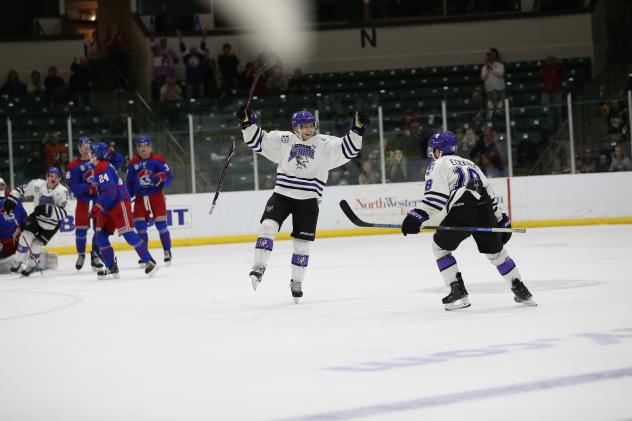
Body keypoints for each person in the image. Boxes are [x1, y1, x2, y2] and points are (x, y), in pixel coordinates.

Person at [239, 107, 369, 303]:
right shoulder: (284, 140)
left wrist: (357, 129)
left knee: (302, 245)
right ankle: (258, 266)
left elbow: (348, 149)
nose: (309, 129)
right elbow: (257, 140)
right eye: (304, 126)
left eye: (311, 125)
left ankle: (296, 281)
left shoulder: (324, 143)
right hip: (282, 195)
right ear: (295, 128)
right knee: (267, 227)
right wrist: (247, 122)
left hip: (308, 200)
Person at [400, 131, 535, 310]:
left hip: (464, 209)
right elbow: (490, 193)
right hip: (485, 209)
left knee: (440, 247)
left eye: (434, 150)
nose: (432, 153)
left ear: (439, 150)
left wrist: (416, 216)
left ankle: (458, 294)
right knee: (497, 253)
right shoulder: (470, 163)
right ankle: (521, 291)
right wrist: (501, 219)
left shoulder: (438, 164)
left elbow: (435, 198)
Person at [89, 142, 158, 279]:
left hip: (118, 203)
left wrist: (98, 207)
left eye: (92, 152)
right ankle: (111, 267)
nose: (90, 154)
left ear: (98, 155)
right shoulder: (100, 167)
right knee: (100, 236)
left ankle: (149, 260)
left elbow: (110, 192)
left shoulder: (102, 168)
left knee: (128, 233)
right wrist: (100, 207)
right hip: (108, 205)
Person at [4, 167, 69, 276]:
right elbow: (20, 189)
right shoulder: (37, 184)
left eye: (56, 177)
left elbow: (64, 213)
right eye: (50, 176)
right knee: (25, 236)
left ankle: (31, 266)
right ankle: (18, 261)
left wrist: (47, 210)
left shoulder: (63, 192)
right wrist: (12, 198)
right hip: (36, 219)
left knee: (36, 245)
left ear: (59, 179)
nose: (53, 179)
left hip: (51, 225)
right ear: (46, 177)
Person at [126, 136, 173, 265]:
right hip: (140, 198)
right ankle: (145, 255)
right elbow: (129, 182)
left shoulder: (158, 160)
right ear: (137, 148)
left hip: (156, 196)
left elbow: (169, 176)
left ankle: (167, 251)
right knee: (140, 228)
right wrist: (128, 196)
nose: (143, 148)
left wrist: (160, 178)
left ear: (150, 147)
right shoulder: (132, 163)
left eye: (145, 145)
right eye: (140, 146)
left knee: (161, 226)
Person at [65, 136, 104, 271]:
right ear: (79, 148)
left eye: (88, 144)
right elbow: (72, 186)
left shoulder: (99, 161)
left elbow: (117, 163)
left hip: (98, 200)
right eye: (83, 145)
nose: (86, 147)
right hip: (83, 201)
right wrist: (89, 188)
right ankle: (81, 254)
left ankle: (95, 255)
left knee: (99, 229)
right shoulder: (73, 166)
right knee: (81, 231)